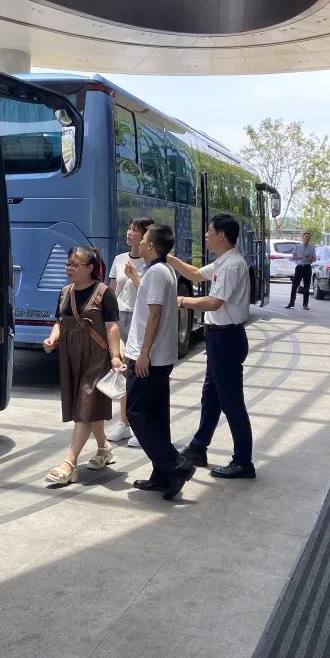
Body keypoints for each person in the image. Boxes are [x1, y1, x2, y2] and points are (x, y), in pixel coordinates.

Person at [169, 214, 255, 479]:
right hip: (218, 338)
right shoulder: (223, 261)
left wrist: (180, 300)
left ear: (221, 235)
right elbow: (196, 274)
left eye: (209, 231)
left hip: (227, 339)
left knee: (231, 402)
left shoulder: (232, 265)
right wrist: (168, 258)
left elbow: (214, 303)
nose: (205, 235)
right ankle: (198, 447)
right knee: (211, 397)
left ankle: (243, 461)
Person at [125, 224, 196, 500]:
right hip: (160, 356)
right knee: (156, 415)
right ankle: (162, 473)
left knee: (137, 413)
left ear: (152, 245)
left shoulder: (156, 272)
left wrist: (143, 353)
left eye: (144, 238)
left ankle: (177, 466)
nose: (140, 242)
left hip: (149, 358)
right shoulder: (163, 271)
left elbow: (154, 315)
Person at [42, 247, 123, 485]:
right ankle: (104, 448)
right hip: (71, 357)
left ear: (90, 268)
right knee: (88, 407)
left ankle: (69, 463)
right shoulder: (64, 292)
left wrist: (115, 356)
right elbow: (60, 322)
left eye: (75, 265)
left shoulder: (104, 293)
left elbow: (112, 327)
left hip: (96, 358)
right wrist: (52, 339)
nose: (69, 269)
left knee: (85, 406)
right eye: (68, 264)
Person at [106, 217, 154, 445]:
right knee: (123, 371)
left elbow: (149, 295)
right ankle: (124, 422)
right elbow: (112, 291)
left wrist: (135, 275)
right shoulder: (119, 259)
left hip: (139, 318)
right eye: (129, 228)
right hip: (120, 317)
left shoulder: (151, 264)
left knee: (140, 373)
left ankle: (140, 424)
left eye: (135, 230)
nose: (129, 233)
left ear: (145, 236)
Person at [285, 231, 316, 310]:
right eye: (306, 237)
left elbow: (314, 259)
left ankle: (305, 304)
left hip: (307, 268)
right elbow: (292, 257)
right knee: (294, 286)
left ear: (310, 239)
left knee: (306, 287)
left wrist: (308, 257)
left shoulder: (312, 248)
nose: (307, 239)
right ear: (302, 238)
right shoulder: (297, 247)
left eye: (309, 237)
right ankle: (291, 303)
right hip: (299, 267)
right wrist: (300, 257)